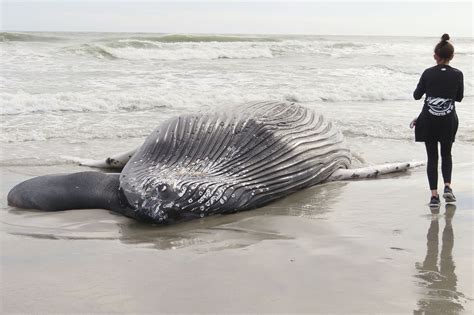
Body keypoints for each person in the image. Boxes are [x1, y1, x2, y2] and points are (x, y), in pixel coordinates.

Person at [412, 33, 464, 208]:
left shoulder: (428, 73)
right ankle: (448, 187)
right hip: (448, 120)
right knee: (446, 154)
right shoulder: (458, 74)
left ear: (435, 56)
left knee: (432, 158)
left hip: (429, 120)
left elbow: (417, 96)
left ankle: (434, 197)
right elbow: (459, 98)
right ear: (452, 56)